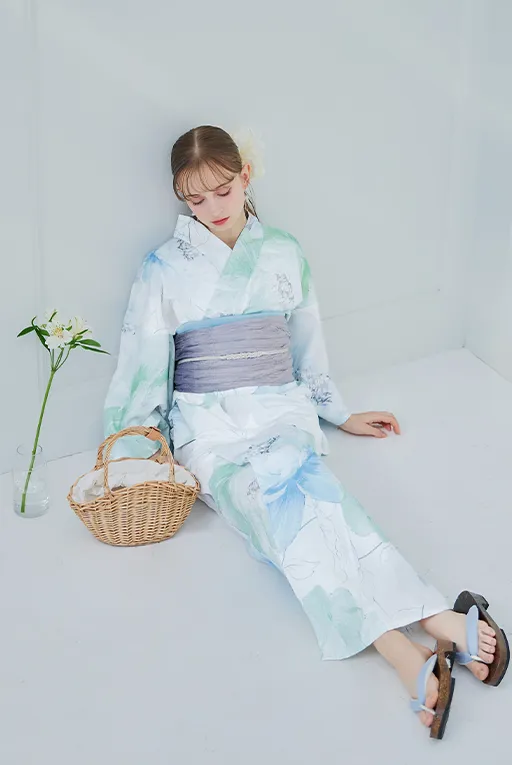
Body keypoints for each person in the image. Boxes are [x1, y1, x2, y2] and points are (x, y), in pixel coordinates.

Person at [104, 125, 507, 739]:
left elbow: (306, 343)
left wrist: (336, 412)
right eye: (194, 199)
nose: (212, 208)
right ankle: (424, 628)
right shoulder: (162, 269)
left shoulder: (283, 252)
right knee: (270, 511)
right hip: (208, 428)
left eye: (222, 190)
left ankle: (419, 636)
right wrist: (140, 458)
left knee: (314, 496)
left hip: (278, 407)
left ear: (245, 177)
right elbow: (142, 368)